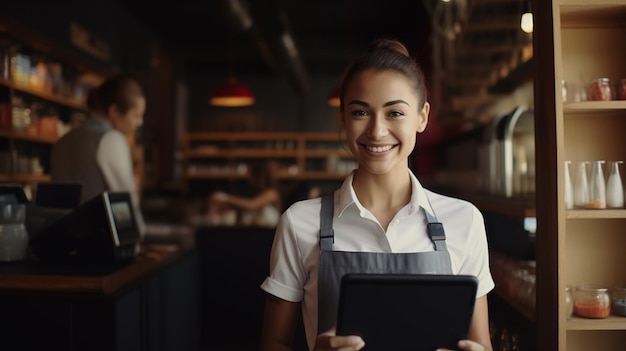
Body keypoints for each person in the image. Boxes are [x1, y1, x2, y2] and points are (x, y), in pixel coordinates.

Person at [259, 38, 495, 351]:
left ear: (422, 117)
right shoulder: (299, 222)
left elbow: (481, 345)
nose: (377, 131)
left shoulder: (464, 221)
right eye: (360, 112)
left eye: (395, 113)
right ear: (343, 118)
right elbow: (272, 343)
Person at [50, 73, 147, 237]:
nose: (140, 122)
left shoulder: (62, 142)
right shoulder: (112, 139)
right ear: (114, 111)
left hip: (63, 239)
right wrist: (140, 234)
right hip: (102, 243)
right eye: (136, 115)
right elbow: (124, 202)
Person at [209, 162, 283, 227]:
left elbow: (252, 205)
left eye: (251, 175)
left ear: (259, 176)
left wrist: (224, 197)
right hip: (251, 232)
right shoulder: (253, 193)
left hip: (268, 234)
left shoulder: (272, 193)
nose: (249, 179)